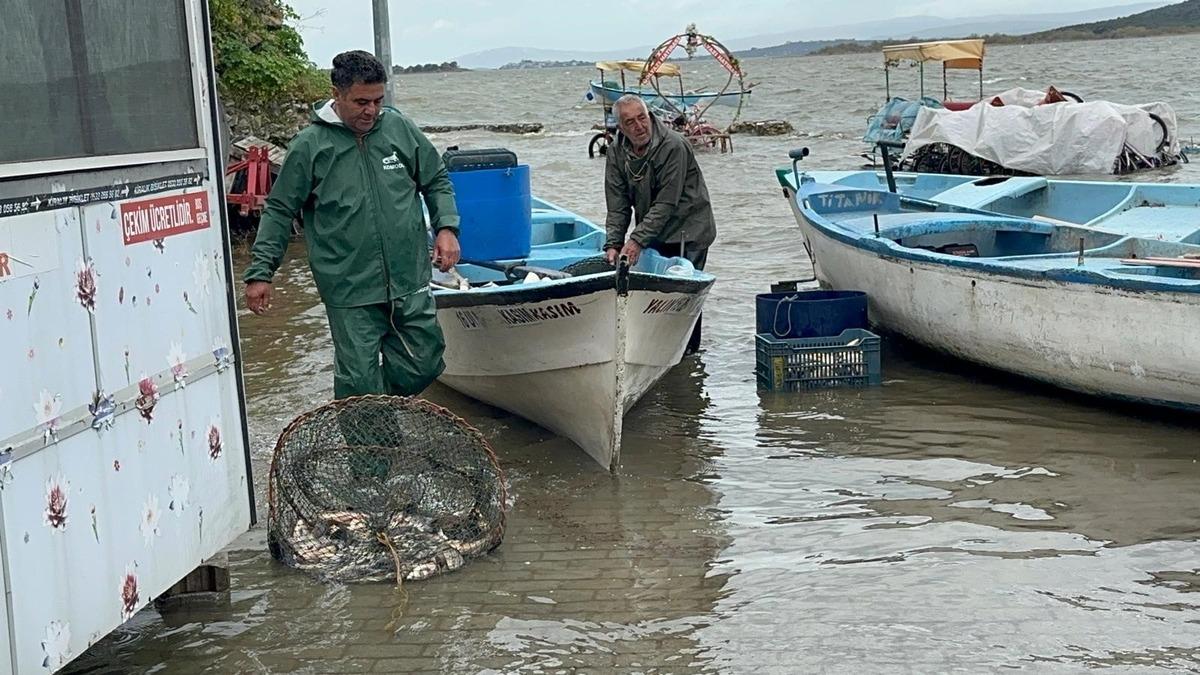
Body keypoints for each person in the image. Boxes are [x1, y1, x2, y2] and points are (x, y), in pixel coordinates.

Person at [243, 50, 460, 399]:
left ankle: (377, 409)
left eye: (378, 101)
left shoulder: (399, 128)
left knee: (425, 362)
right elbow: (280, 210)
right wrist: (261, 273)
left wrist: (446, 228)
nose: (371, 111)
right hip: (348, 287)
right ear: (337, 94)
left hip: (408, 276)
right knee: (359, 382)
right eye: (361, 102)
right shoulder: (309, 146)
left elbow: (435, 179)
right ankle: (369, 429)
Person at [604, 94, 716, 353]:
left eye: (642, 118)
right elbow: (617, 203)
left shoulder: (673, 146)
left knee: (682, 298)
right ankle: (655, 351)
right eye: (630, 122)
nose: (639, 126)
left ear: (649, 116)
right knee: (653, 299)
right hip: (653, 230)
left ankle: (689, 355)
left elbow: (666, 203)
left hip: (689, 229)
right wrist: (614, 242)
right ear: (620, 127)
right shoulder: (616, 151)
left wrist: (636, 240)